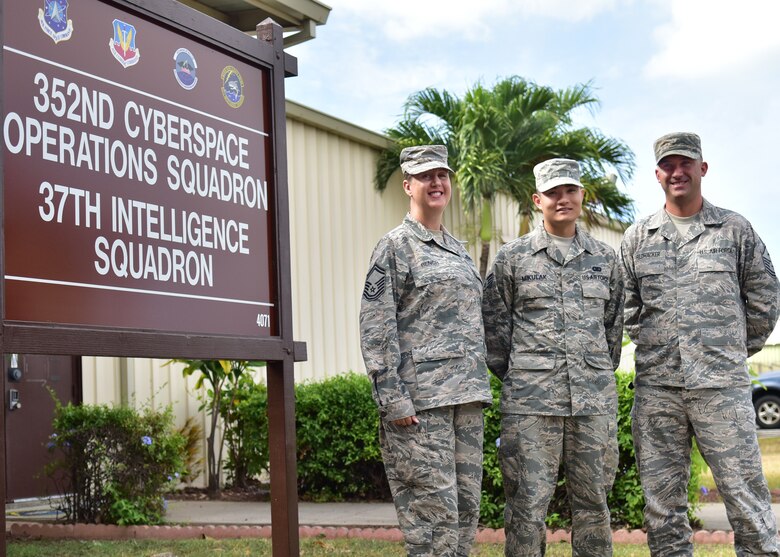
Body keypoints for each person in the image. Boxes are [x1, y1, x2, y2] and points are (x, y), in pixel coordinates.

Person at [620, 132, 780, 556]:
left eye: (685, 163)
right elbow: (627, 307)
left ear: (702, 168)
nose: (677, 172)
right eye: (668, 165)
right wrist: (662, 347)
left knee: (747, 500)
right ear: (657, 174)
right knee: (663, 508)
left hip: (720, 389)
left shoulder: (734, 229)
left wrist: (727, 350)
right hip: (659, 391)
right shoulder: (638, 237)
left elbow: (765, 297)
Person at [482, 158, 624, 556]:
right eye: (553, 193)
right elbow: (495, 334)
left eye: (570, 190)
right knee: (526, 506)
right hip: (531, 404)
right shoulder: (513, 258)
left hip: (593, 402)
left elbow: (612, 330)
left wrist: (589, 371)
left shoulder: (605, 259)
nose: (563, 199)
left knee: (594, 505)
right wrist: (530, 374)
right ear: (537, 200)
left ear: (581, 195)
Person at [359, 145, 493, 557]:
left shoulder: (458, 249)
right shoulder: (395, 247)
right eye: (425, 176)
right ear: (408, 186)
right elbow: (375, 326)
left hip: (465, 403)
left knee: (465, 516)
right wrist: (393, 399)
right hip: (421, 407)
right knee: (433, 524)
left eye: (442, 175)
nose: (437, 183)